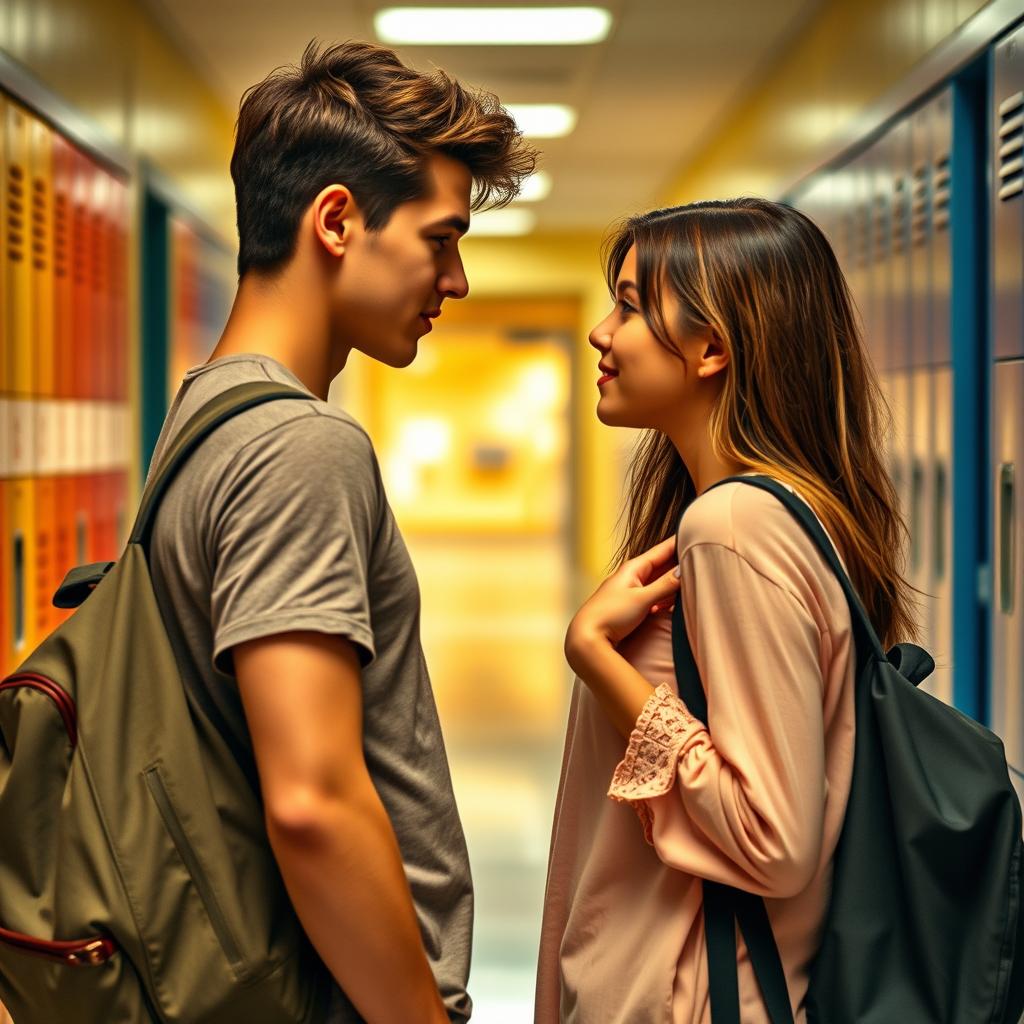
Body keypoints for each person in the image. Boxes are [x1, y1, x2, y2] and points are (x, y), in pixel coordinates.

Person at [144, 40, 535, 1022]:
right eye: (440, 239)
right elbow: (311, 800)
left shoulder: (206, 414)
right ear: (335, 220)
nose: (456, 282)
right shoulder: (300, 448)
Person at [535, 198, 917, 1023]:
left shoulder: (733, 526)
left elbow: (772, 838)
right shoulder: (762, 514)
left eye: (631, 306)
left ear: (713, 348)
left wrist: (597, 657)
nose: (603, 332)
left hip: (690, 998)